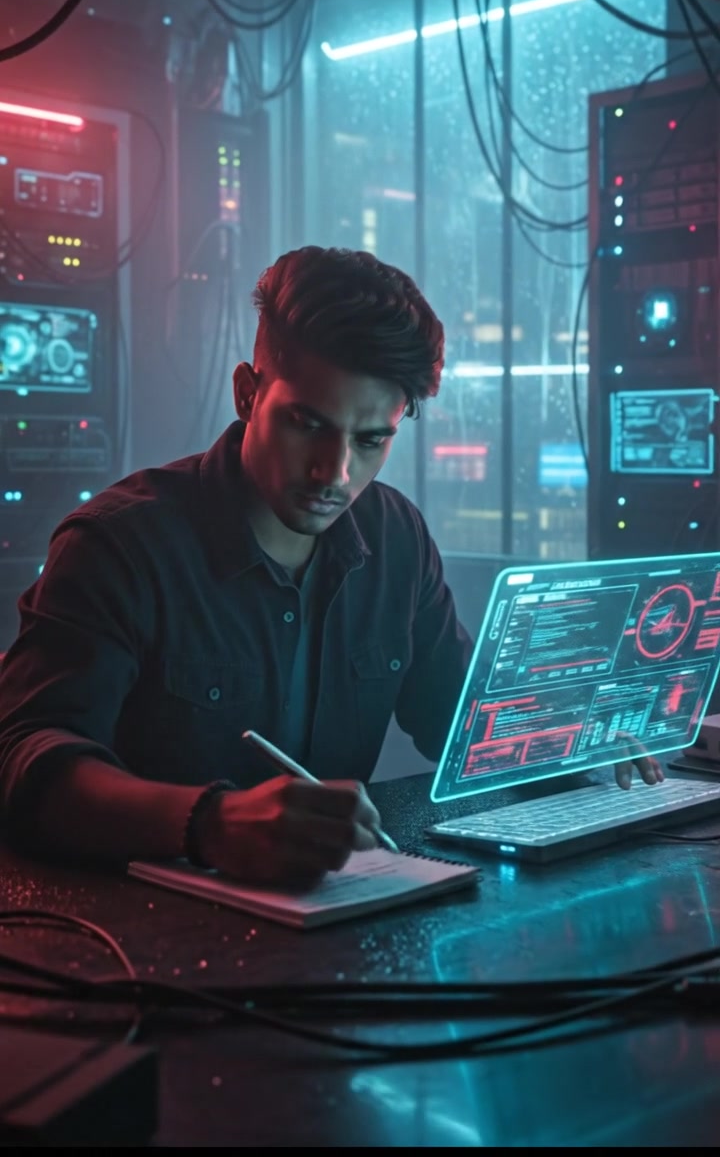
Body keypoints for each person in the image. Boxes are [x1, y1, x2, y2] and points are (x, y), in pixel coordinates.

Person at [0, 247, 661, 887]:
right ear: (246, 393)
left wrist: (570, 736)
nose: (334, 473)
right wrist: (211, 823)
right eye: (305, 423)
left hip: (336, 928)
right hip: (133, 944)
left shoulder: (395, 535)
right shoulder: (120, 545)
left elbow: (452, 714)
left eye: (372, 439)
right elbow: (24, 758)